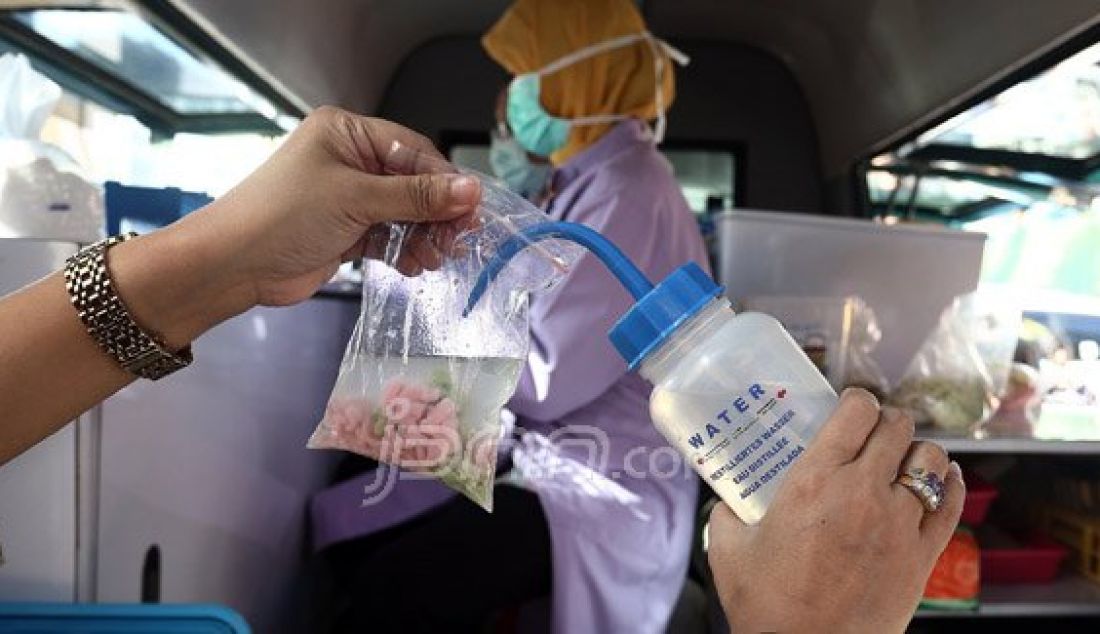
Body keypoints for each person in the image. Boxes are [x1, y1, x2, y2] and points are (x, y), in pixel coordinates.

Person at [0, 105, 963, 632]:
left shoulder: (626, 182)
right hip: (558, 456)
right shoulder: (578, 184)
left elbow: (554, 377)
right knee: (361, 518)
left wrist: (453, 347)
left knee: (404, 579)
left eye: (529, 87)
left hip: (609, 484)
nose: (515, 114)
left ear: (580, 81)